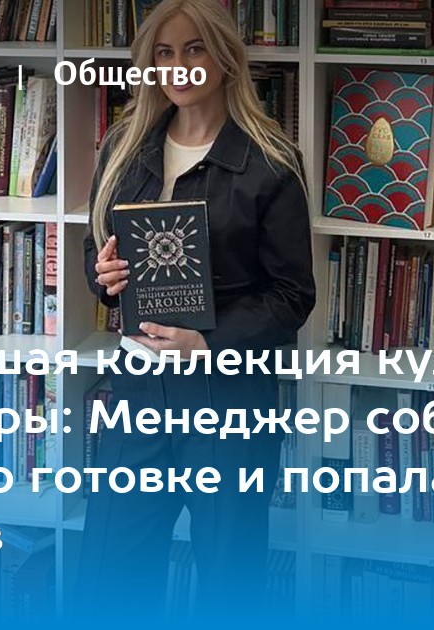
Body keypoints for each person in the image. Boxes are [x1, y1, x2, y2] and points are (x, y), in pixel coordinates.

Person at [78, 0, 315, 621]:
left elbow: (292, 295)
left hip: (230, 398)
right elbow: (94, 253)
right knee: (110, 572)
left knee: (230, 579)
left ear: (224, 56)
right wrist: (104, 277)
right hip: (137, 391)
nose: (178, 65)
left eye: (193, 48)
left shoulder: (271, 159)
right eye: (164, 53)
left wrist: (207, 343)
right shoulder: (123, 147)